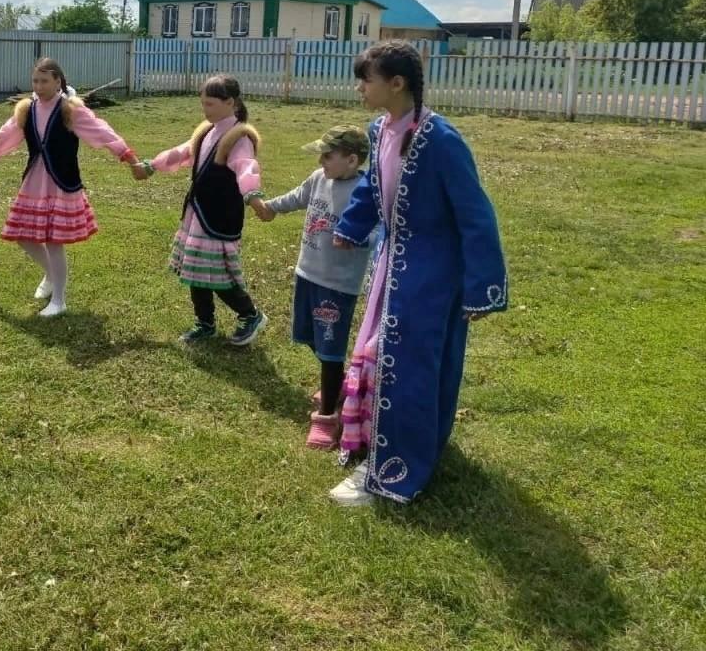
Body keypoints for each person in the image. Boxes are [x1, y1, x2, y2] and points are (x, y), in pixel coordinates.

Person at [328, 40, 507, 506]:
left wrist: (481, 288)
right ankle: (386, 441)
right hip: (392, 264)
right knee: (383, 358)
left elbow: (475, 213)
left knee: (411, 368)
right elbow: (372, 186)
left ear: (397, 83)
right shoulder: (379, 129)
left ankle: (395, 472)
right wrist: (351, 227)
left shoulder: (440, 139)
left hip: (430, 274)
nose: (359, 88)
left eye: (366, 79)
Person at [0, 58, 139, 317]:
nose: (39, 86)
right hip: (34, 181)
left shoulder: (70, 110)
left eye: (45, 81)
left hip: (61, 182)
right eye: (35, 81)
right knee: (23, 236)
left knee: (53, 240)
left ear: (58, 82)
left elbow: (101, 131)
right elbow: (5, 134)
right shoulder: (27, 110)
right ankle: (51, 276)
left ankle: (59, 300)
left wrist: (128, 156)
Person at [255, 125, 373, 449]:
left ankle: (327, 417)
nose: (321, 160)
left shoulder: (365, 191)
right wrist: (270, 207)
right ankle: (338, 385)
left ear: (351, 159)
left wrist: (357, 240)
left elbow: (377, 233)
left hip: (337, 285)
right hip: (308, 274)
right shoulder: (319, 179)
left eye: (328, 155)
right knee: (311, 337)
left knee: (330, 349)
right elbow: (298, 196)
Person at [133, 74, 268, 346]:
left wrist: (253, 195)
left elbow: (246, 166)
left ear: (230, 102)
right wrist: (152, 165)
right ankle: (205, 323)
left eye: (210, 104)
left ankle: (250, 315)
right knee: (195, 268)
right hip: (199, 211)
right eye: (203, 103)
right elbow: (183, 152)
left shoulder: (239, 137)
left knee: (216, 272)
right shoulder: (208, 130)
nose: (204, 109)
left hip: (219, 215)